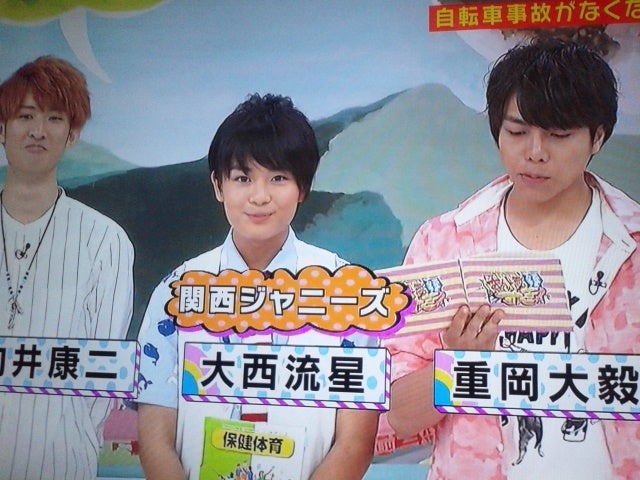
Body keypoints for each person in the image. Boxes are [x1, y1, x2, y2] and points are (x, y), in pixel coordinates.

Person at [381, 39, 640, 479]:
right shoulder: (445, 242)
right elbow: (401, 416)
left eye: (558, 135)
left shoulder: (630, 243)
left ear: (597, 136)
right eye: (517, 132)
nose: (535, 152)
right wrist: (458, 364)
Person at [136, 93, 379, 480]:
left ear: (303, 186)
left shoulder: (348, 293)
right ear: (218, 185)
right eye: (242, 178)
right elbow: (154, 438)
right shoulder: (176, 292)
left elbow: (355, 443)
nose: (260, 196)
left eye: (278, 178)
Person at [0, 57, 134, 478]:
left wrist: (67, 438)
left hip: (61, 463)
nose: (38, 130)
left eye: (54, 118)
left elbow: (103, 373)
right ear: (2, 128)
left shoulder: (105, 240)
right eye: (25, 116)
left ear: (72, 135)